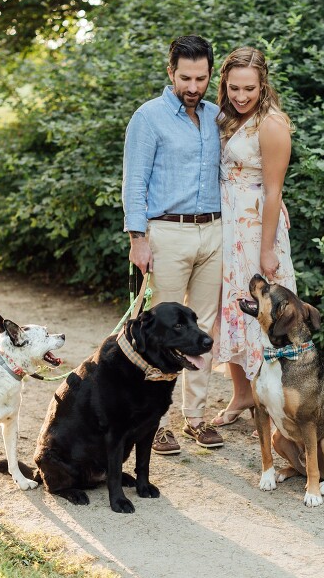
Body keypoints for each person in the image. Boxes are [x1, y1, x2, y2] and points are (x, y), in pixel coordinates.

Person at [122, 35, 225, 454]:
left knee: (202, 326)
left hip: (214, 230)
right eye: (186, 77)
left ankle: (195, 419)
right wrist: (137, 238)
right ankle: (155, 421)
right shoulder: (147, 119)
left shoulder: (218, 117)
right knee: (158, 329)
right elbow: (134, 182)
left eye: (201, 78)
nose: (194, 86)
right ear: (171, 72)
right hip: (166, 232)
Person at [210, 46, 296, 428]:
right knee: (232, 308)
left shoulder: (273, 123)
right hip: (228, 226)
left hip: (256, 229)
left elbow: (274, 191)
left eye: (249, 89)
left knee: (263, 313)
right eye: (233, 88)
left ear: (263, 85)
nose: (241, 96)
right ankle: (242, 395)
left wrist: (267, 251)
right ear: (224, 85)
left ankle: (277, 401)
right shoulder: (225, 118)